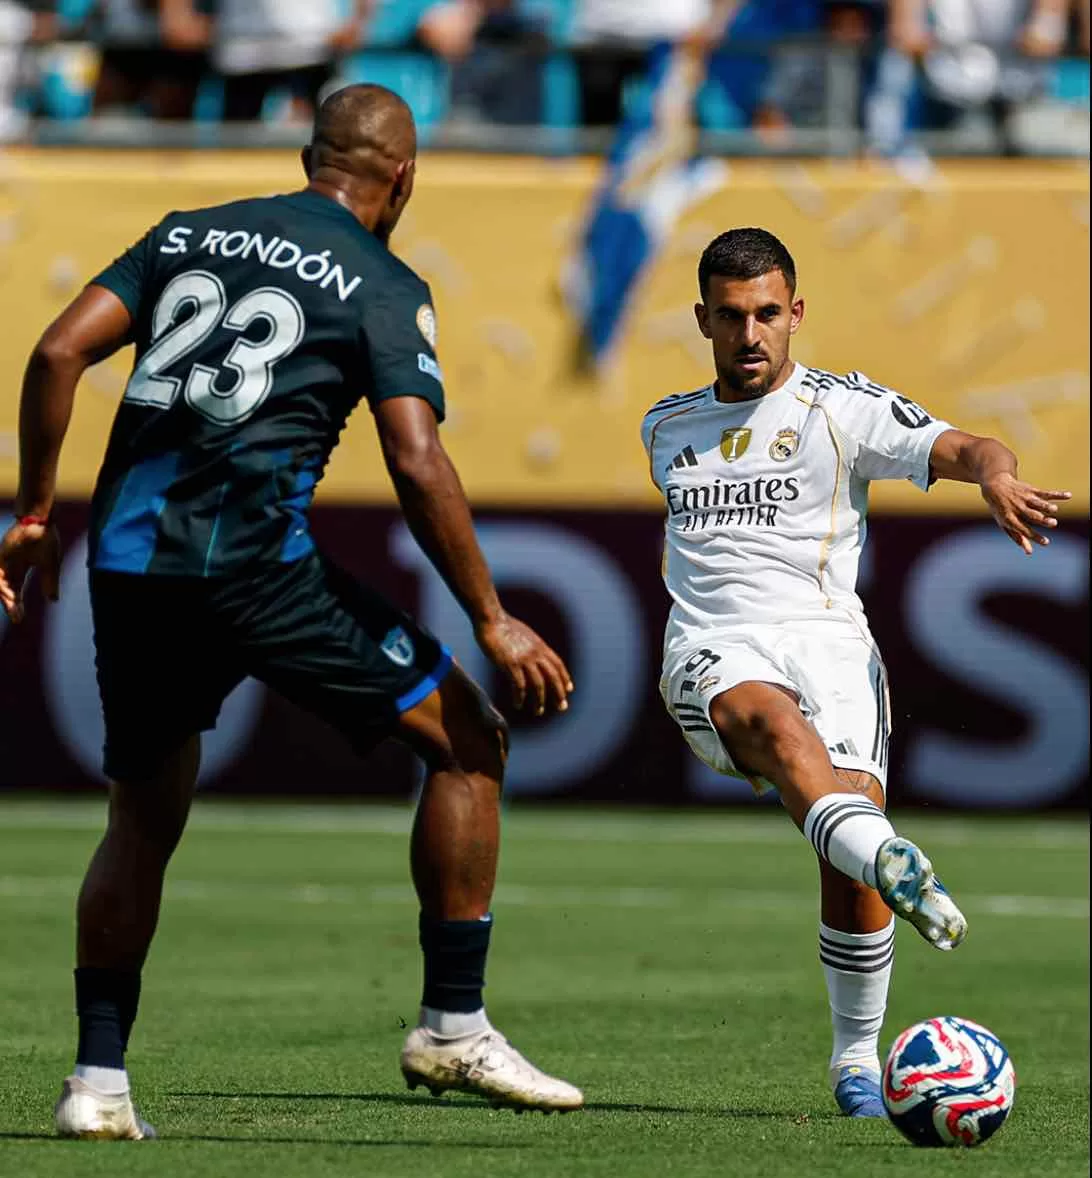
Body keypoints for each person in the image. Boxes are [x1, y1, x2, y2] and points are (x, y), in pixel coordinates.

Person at [0, 82, 583, 1141]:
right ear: (402, 178)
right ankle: (452, 1024)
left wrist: (36, 510)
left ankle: (97, 1080)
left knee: (141, 819)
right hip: (254, 569)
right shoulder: (381, 280)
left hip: (127, 564)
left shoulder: (188, 233)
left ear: (310, 156)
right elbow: (416, 456)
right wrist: (491, 614)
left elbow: (55, 352)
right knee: (467, 739)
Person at [640, 227, 1071, 1118]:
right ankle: (889, 857)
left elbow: (971, 446)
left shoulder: (843, 409)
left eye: (767, 313)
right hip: (714, 643)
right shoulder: (665, 427)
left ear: (796, 313)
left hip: (830, 645)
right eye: (730, 316)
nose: (750, 334)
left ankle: (857, 1064)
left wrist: (997, 480)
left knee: (845, 853)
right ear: (703, 320)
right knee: (773, 727)